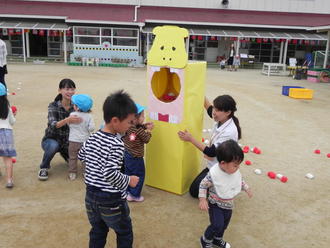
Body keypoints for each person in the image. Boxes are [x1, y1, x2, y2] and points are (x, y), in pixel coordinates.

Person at [78, 90, 139, 248]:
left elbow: (82, 156)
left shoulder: (92, 137)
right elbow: (110, 173)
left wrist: (95, 168)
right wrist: (129, 181)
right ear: (115, 121)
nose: (131, 126)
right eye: (130, 122)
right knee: (124, 232)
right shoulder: (117, 143)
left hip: (90, 197)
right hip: (111, 199)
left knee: (98, 231)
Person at [178, 95, 241, 198]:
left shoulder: (229, 131)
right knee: (196, 188)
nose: (214, 112)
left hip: (221, 168)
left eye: (218, 110)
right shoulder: (221, 118)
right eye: (215, 108)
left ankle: (226, 182)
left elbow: (211, 152)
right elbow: (209, 109)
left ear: (228, 112)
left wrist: (190, 139)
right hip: (214, 164)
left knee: (194, 191)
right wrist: (199, 91)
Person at [199, 139, 252, 248]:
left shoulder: (234, 172)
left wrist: (246, 188)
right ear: (223, 163)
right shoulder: (213, 174)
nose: (238, 168)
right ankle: (206, 239)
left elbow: (239, 181)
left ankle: (217, 240)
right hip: (215, 205)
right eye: (235, 165)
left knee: (224, 225)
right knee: (216, 225)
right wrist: (202, 199)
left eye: (238, 165)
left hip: (228, 205)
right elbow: (203, 185)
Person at [38, 79, 82, 181]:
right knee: (53, 146)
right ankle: (44, 167)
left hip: (68, 141)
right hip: (51, 139)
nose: (70, 92)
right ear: (59, 90)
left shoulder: (76, 106)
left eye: (72, 89)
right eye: (67, 89)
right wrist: (67, 120)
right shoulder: (53, 105)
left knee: (81, 149)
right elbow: (53, 125)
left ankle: (65, 153)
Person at [122, 103, 154, 202]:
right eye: (142, 116)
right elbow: (146, 139)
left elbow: (136, 132)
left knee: (128, 173)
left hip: (127, 154)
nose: (144, 117)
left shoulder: (129, 127)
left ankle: (127, 191)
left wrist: (144, 126)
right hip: (136, 157)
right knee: (139, 175)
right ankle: (134, 195)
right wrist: (148, 130)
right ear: (135, 119)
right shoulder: (138, 131)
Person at [68, 94, 95, 180]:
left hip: (73, 140)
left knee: (72, 157)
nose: (73, 105)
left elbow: (69, 125)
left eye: (74, 104)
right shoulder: (89, 116)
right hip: (85, 141)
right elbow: (91, 128)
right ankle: (85, 172)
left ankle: (72, 173)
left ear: (77, 107)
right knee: (85, 158)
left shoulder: (72, 114)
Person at [0, 82, 16, 188]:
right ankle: (9, 180)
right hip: (7, 132)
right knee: (8, 158)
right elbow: (12, 121)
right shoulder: (7, 107)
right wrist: (14, 115)